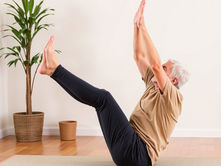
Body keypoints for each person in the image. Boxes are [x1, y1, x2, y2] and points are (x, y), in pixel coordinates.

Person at [39, 0, 189, 165]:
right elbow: (139, 56)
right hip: (129, 148)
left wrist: (144, 27)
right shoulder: (152, 86)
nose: (158, 69)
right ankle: (52, 71)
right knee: (100, 102)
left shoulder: (174, 99)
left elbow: (155, 65)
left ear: (173, 80)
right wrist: (136, 26)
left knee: (104, 99)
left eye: (164, 69)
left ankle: (54, 69)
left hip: (138, 154)